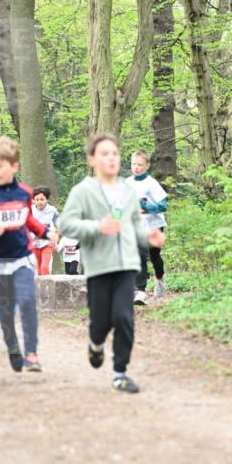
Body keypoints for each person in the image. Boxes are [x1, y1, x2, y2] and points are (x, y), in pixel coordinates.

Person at [59, 134, 165, 393]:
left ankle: (120, 373)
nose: (111, 158)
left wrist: (148, 237)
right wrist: (97, 227)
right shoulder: (83, 191)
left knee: (124, 317)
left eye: (115, 154)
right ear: (92, 160)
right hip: (98, 266)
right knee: (100, 322)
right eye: (104, 154)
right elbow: (66, 225)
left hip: (127, 264)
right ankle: (95, 344)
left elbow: (134, 225)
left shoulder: (128, 191)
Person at [0, 136, 57, 373]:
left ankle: (32, 354)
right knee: (6, 309)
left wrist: (45, 232)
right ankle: (12, 345)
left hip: (22, 256)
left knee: (27, 301)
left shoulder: (25, 192)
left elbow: (28, 219)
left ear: (14, 166)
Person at [127, 149, 168, 304]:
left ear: (147, 166)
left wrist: (146, 206)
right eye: (133, 164)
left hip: (154, 225)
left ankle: (160, 279)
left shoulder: (151, 183)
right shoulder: (126, 183)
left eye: (140, 164)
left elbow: (163, 206)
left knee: (155, 256)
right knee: (139, 254)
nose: (136, 167)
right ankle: (140, 291)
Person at [31, 186, 59, 275]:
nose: (39, 202)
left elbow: (59, 223)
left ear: (47, 200)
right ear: (33, 200)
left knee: (45, 267)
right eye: (37, 199)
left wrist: (56, 237)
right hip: (34, 243)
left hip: (47, 243)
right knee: (37, 269)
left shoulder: (52, 211)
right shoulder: (30, 211)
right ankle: (38, 284)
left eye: (42, 199)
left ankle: (47, 283)